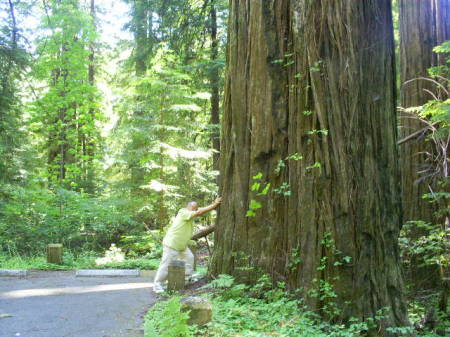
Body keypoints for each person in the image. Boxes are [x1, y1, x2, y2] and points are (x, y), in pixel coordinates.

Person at [153, 197, 222, 293]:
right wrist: (214, 205)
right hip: (172, 244)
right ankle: (157, 285)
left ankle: (186, 279)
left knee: (189, 257)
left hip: (182, 246)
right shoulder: (183, 212)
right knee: (166, 264)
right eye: (193, 208)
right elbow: (199, 212)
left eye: (196, 208)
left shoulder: (189, 215)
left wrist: (211, 206)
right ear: (188, 207)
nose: (195, 210)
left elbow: (199, 210)